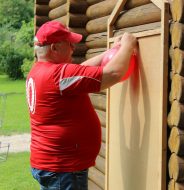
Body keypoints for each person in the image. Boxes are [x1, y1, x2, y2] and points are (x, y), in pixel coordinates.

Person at [26, 21, 137, 190]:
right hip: (63, 169)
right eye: (69, 44)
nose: (73, 48)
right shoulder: (58, 75)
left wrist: (112, 52)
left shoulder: (39, 71)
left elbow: (80, 70)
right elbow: (114, 73)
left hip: (52, 165)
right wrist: (128, 45)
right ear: (54, 48)